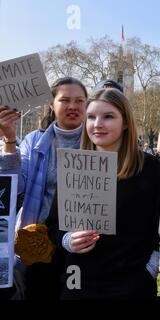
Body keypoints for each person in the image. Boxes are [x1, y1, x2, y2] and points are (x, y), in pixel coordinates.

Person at [46, 88, 160, 300]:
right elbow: (53, 225)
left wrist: (150, 270)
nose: (97, 124)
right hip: (79, 283)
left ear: (126, 122)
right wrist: (67, 240)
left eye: (108, 116)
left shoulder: (150, 168)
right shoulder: (74, 166)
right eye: (91, 117)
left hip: (132, 285)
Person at [0, 77, 88, 300]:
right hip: (39, 243)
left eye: (79, 100)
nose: (72, 106)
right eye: (65, 99)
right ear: (51, 103)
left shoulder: (97, 139)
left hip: (83, 242)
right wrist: (10, 140)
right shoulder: (35, 140)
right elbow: (17, 188)